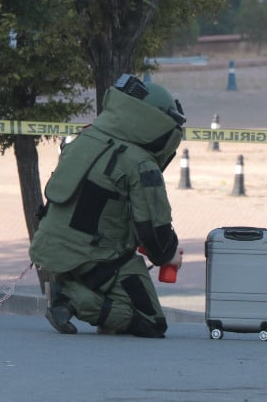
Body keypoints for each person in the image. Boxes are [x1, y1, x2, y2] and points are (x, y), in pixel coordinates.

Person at [29, 74, 186, 338]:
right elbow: (154, 230)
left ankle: (71, 292)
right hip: (96, 259)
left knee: (120, 304)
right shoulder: (140, 163)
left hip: (53, 250)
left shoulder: (84, 139)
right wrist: (169, 255)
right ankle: (69, 298)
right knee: (150, 321)